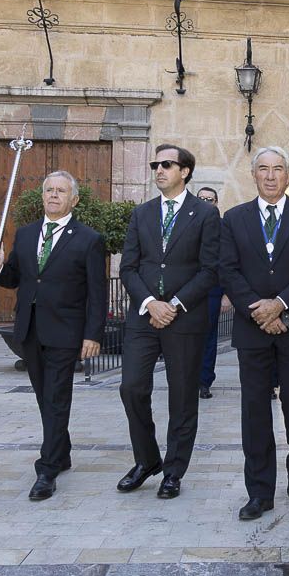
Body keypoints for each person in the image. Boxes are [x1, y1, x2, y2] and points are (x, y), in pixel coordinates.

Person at [0, 171, 106, 501]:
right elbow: (13, 278)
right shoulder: (25, 235)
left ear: (74, 200)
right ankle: (62, 450)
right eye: (49, 190)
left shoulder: (88, 239)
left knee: (55, 397)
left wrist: (92, 334)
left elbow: (97, 294)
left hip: (66, 331)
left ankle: (47, 468)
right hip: (30, 329)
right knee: (44, 396)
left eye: (60, 191)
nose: (53, 195)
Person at [220, 146, 289, 520]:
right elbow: (228, 271)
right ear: (253, 175)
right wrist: (260, 312)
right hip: (253, 332)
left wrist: (279, 304)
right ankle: (259, 491)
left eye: (277, 169)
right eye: (262, 169)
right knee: (255, 413)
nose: (269, 175)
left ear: (288, 174)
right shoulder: (234, 219)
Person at [116, 146, 220, 499]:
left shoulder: (205, 214)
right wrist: (149, 303)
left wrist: (174, 304)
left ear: (185, 171)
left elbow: (209, 270)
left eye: (166, 164)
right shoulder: (141, 214)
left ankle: (174, 471)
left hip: (184, 319)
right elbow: (127, 267)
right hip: (144, 317)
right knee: (131, 387)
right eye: (155, 165)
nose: (158, 170)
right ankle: (147, 460)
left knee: (182, 398)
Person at [196, 186, 232, 400]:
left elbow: (227, 262)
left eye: (209, 199)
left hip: (212, 291)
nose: (205, 202)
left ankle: (204, 381)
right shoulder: (188, 222)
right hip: (187, 292)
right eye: (201, 198)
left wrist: (227, 295)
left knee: (208, 338)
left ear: (216, 203)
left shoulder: (222, 227)